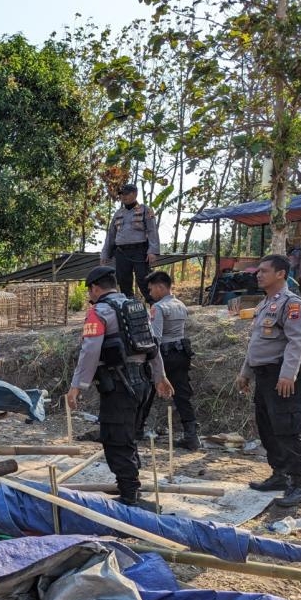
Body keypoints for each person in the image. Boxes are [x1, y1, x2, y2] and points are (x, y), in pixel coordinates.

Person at [65, 266, 174, 510]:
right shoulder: (136, 307)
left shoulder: (99, 312)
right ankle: (132, 488)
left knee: (116, 439)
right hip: (143, 383)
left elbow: (90, 351)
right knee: (129, 437)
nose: (90, 296)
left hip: (120, 385)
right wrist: (160, 376)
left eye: (89, 291)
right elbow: (152, 344)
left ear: (95, 288)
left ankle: (130, 497)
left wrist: (76, 387)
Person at [235, 255, 301, 507]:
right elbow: (256, 343)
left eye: (264, 271)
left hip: (282, 375)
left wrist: (288, 374)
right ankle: (279, 475)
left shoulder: (292, 304)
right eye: (258, 271)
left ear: (281, 274)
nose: (258, 275)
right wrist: (245, 371)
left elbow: (296, 341)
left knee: (286, 429)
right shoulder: (264, 304)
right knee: (267, 428)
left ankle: (299, 485)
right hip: (264, 375)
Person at [137, 271, 199, 450]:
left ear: (161, 287)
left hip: (163, 355)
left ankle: (137, 429)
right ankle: (191, 435)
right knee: (182, 394)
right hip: (181, 354)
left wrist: (149, 360)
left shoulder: (158, 308)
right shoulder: (180, 305)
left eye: (151, 289)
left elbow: (155, 338)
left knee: (148, 391)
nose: (150, 293)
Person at [101, 183, 160, 304]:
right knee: (123, 280)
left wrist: (152, 251)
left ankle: (154, 305)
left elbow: (152, 231)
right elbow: (111, 235)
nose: (123, 196)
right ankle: (130, 307)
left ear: (135, 194)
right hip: (121, 252)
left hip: (140, 250)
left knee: (143, 279)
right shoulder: (118, 213)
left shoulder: (145, 210)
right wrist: (105, 254)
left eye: (126, 194)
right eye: (122, 194)